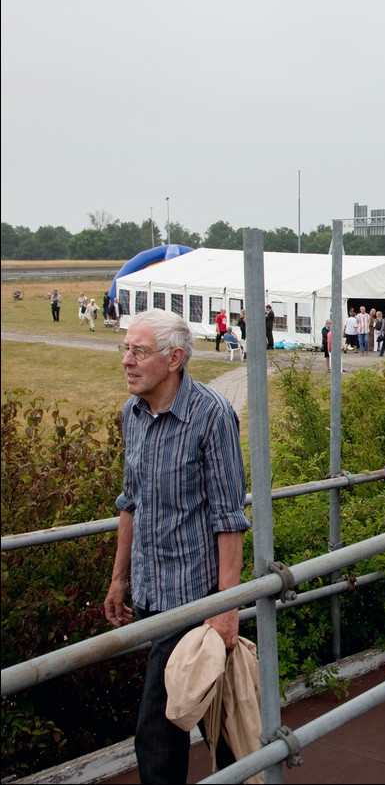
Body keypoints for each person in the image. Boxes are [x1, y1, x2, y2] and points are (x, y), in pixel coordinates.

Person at [103, 309, 249, 783]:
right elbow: (131, 502)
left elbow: (229, 519)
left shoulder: (211, 415)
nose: (127, 360)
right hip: (151, 593)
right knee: (214, 718)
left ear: (174, 358)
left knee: (158, 728)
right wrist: (119, 580)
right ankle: (250, 774)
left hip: (195, 601)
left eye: (138, 351)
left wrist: (226, 608)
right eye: (126, 348)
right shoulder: (133, 414)